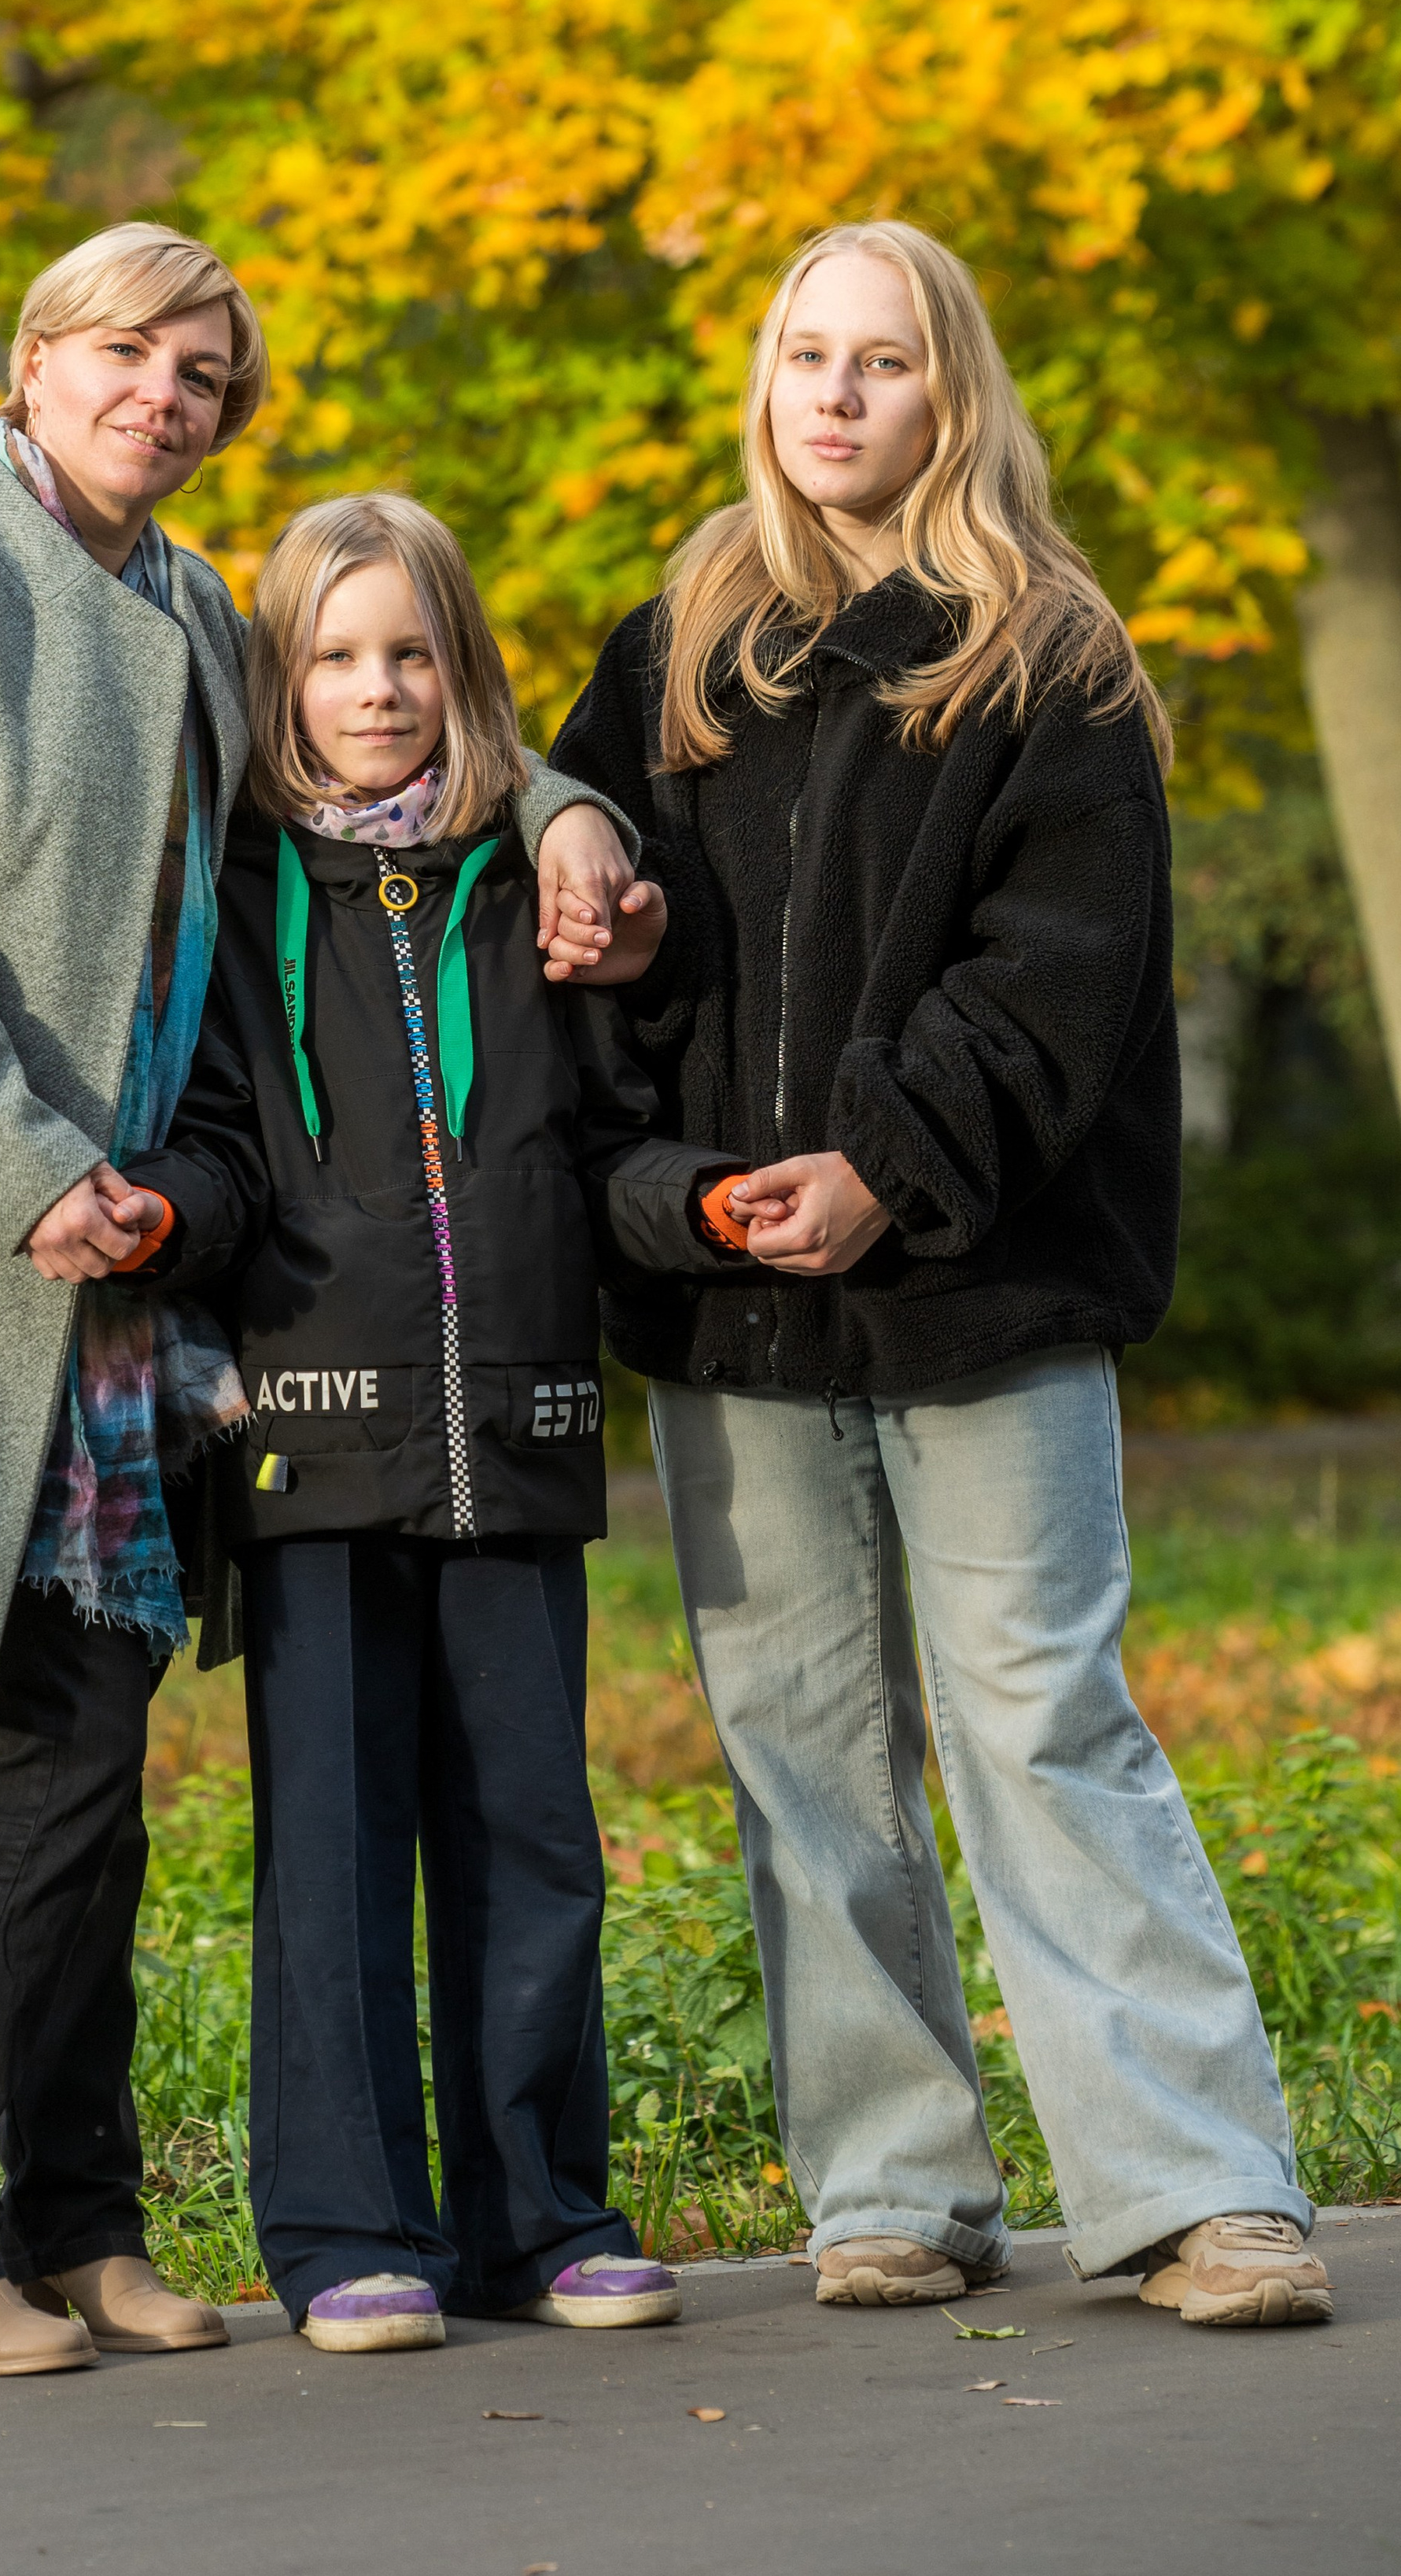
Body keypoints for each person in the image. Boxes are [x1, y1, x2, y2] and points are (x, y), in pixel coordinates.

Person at [0, 225, 647, 2381]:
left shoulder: (206, 609)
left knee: (105, 1757)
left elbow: (399, 768)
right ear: (32, 363)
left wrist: (576, 815)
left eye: (203, 372)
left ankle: (83, 2216)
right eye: (126, 351)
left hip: (146, 1272)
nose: (163, 393)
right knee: (53, 1750)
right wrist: (46, 1177)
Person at [550, 219, 1332, 2332]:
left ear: (950, 391)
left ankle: (1193, 2188)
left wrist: (887, 1171)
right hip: (734, 1300)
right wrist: (578, 872)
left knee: (1047, 1722)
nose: (834, 397)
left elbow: (1056, 987)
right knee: (805, 1748)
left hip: (983, 1295)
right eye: (805, 355)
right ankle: (891, 2175)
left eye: (880, 362)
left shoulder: (1048, 659)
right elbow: (573, 897)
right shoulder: (681, 639)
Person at [79, 493, 743, 2352]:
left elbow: (602, 1145)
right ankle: (343, 2229)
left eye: (407, 651)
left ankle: (543, 2212)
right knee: (335, 1846)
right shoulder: (234, 893)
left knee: (535, 1837)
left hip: (518, 1427)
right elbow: (214, 1142)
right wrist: (166, 1213)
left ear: (463, 668)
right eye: (333, 654)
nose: (374, 690)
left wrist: (695, 1203)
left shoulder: (537, 891)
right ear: (278, 678)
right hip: (307, 1441)